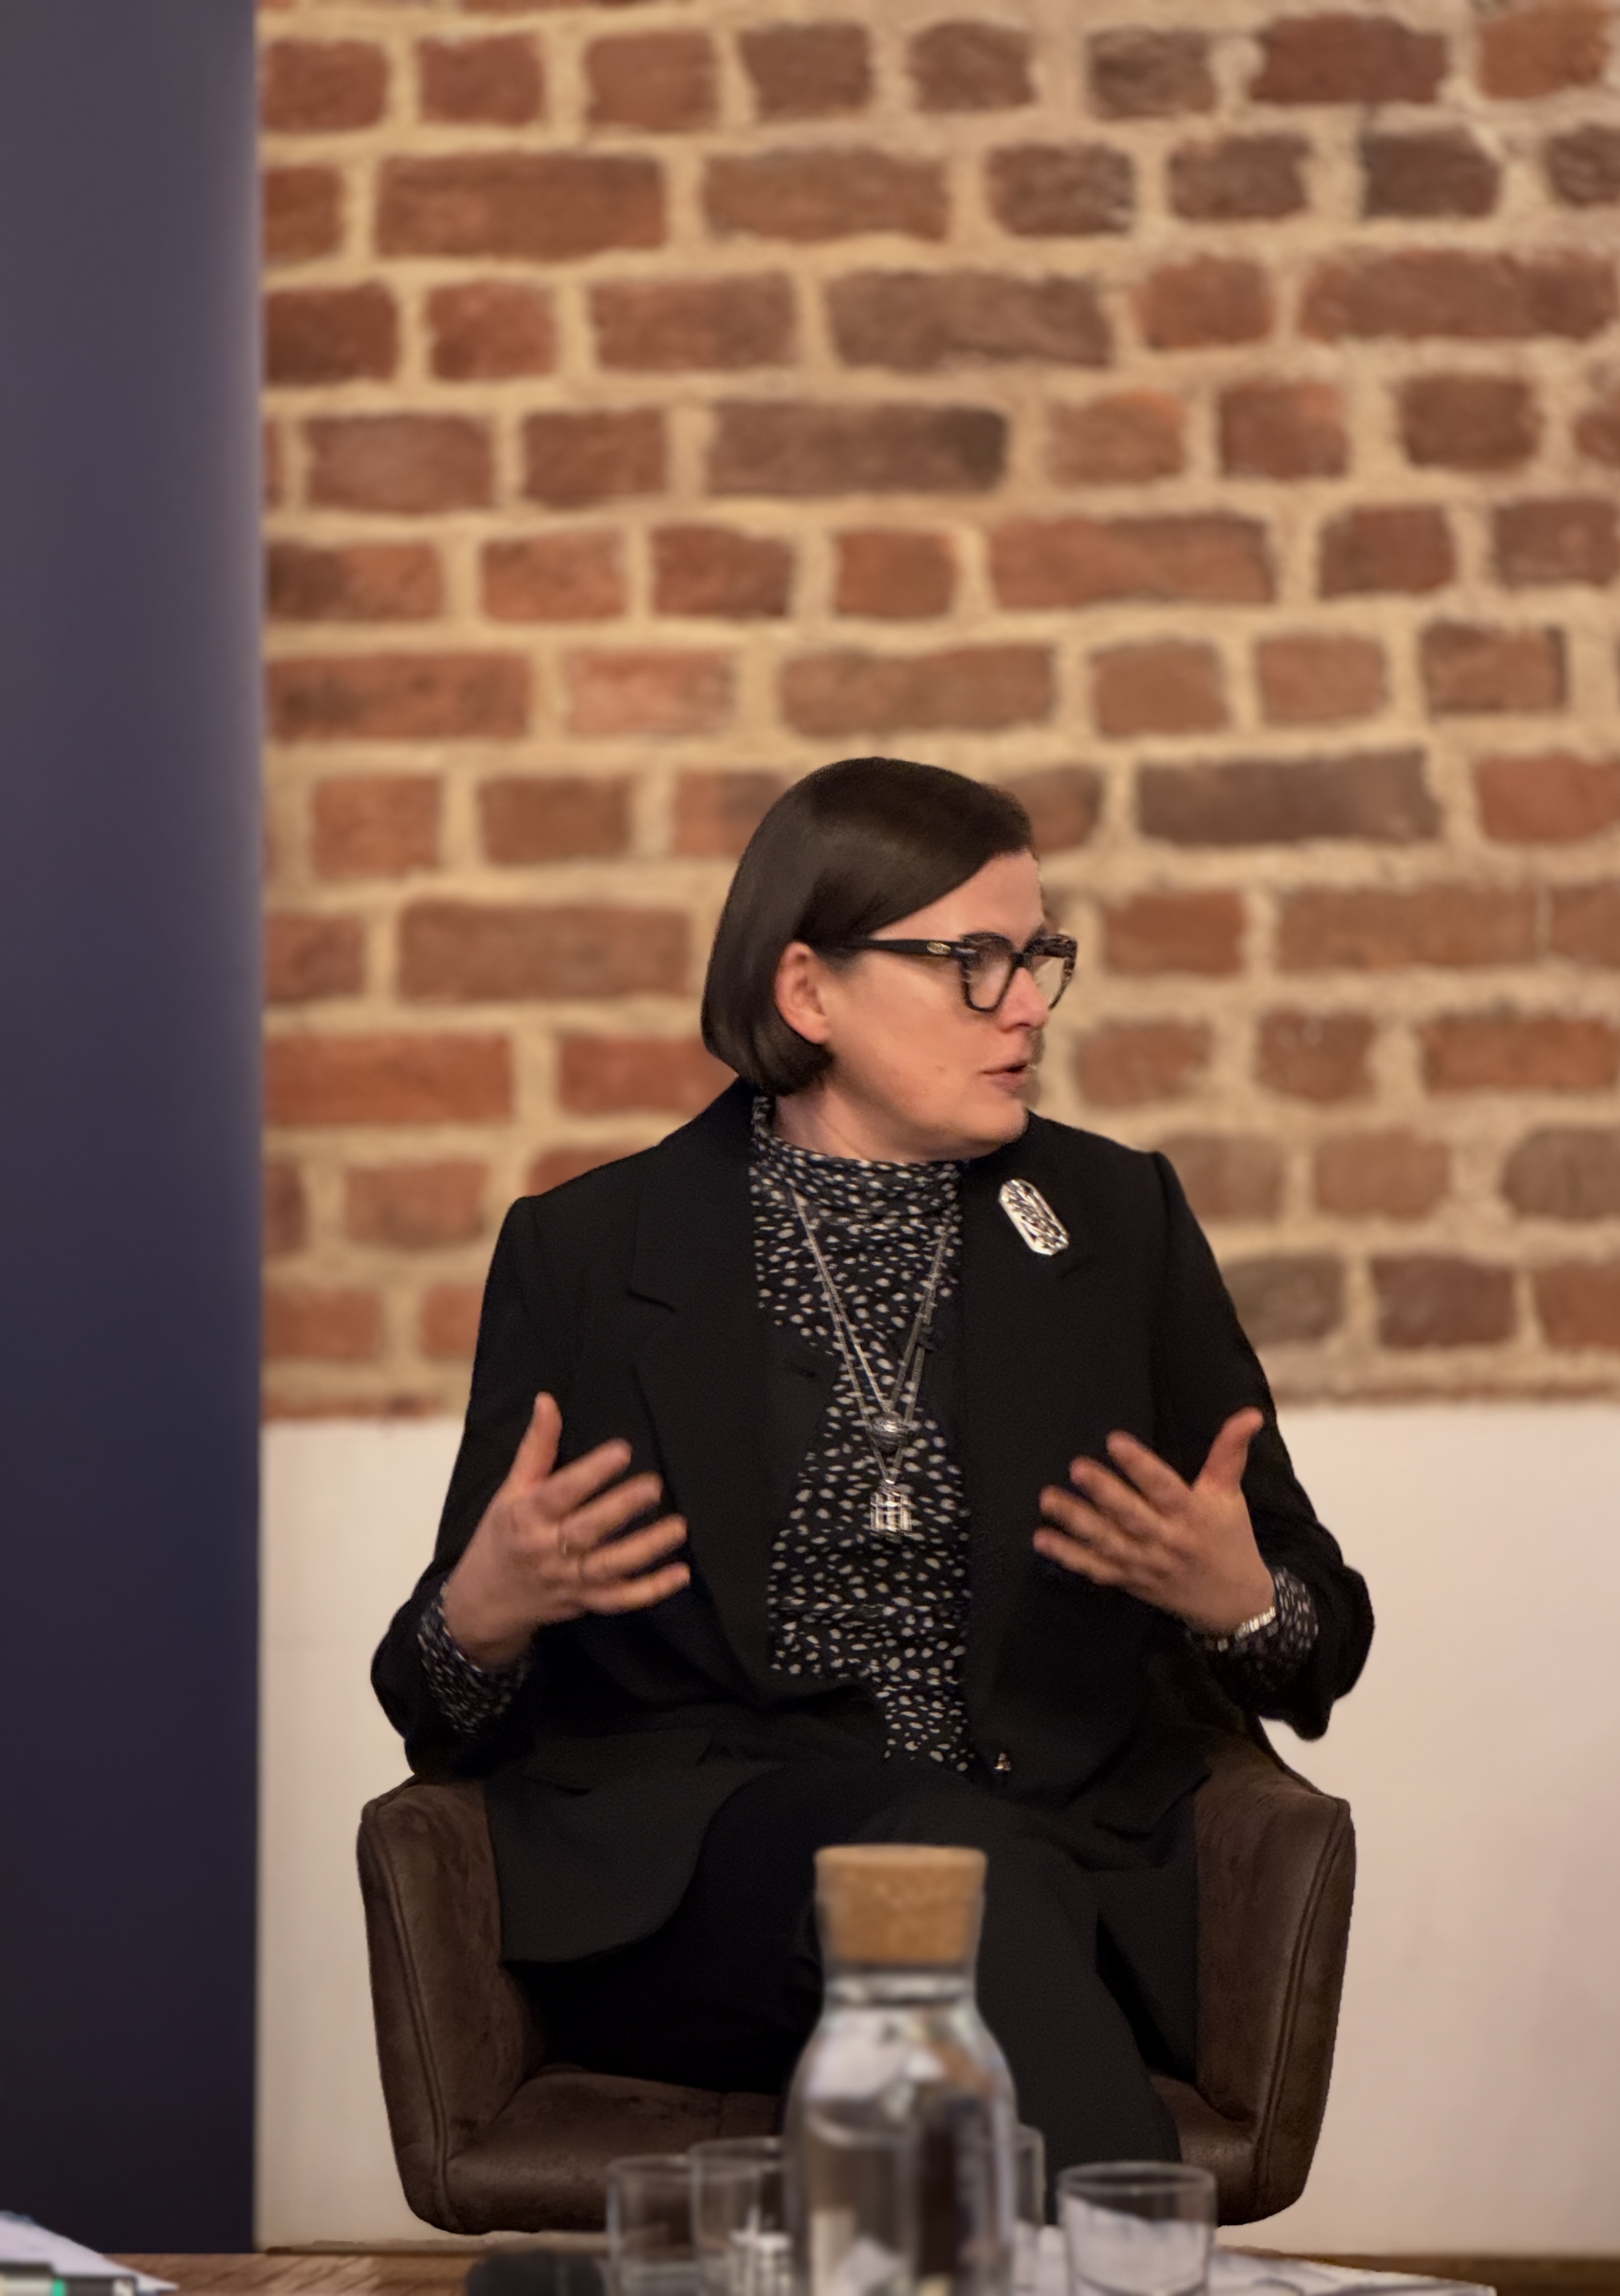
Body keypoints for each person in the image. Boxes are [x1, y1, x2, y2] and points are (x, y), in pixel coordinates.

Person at [373, 756, 1373, 2175]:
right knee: (940, 1863)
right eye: (974, 963)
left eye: (1038, 956)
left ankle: (1059, 2256)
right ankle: (1132, 2257)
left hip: (1056, 1871)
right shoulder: (591, 1252)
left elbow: (1322, 1643)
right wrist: (483, 1615)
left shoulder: (1118, 1222)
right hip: (715, 1886)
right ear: (808, 992)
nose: (1027, 1005)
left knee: (971, 1880)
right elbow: (430, 1705)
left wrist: (1241, 1604)